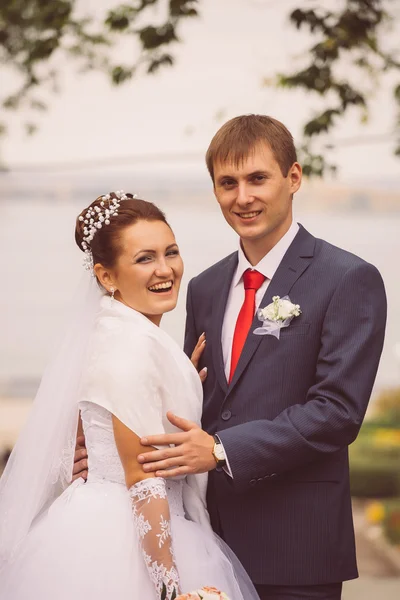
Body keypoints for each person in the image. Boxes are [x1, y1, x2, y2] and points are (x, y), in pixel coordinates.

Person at [131, 116, 387, 600]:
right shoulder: (204, 287)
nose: (242, 197)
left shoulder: (348, 278)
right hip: (206, 541)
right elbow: (191, 399)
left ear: (293, 178)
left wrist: (222, 450)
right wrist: (109, 450)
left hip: (295, 547)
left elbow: (337, 412)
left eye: (257, 179)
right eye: (228, 183)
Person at [0, 192, 259, 600]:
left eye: (170, 252)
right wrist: (170, 590)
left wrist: (178, 380)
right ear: (107, 277)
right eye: (144, 258)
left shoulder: (121, 335)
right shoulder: (128, 346)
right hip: (130, 541)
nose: (165, 270)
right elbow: (143, 480)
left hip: (114, 524)